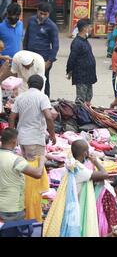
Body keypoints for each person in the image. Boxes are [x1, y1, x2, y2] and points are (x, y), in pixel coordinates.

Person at [8, 75, 55, 221]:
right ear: (41, 86)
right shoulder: (42, 97)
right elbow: (48, 116)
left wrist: (12, 136)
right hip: (36, 139)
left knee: (27, 169)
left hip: (22, 138)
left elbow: (11, 118)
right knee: (35, 173)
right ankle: (32, 209)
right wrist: (52, 133)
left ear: (28, 85)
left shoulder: (21, 98)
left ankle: (27, 204)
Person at [0, 128, 47, 222]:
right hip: (12, 208)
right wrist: (42, 161)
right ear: (14, 141)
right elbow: (38, 174)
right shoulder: (17, 160)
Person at [23, 2, 59, 97]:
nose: (42, 16)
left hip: (44, 59)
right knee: (29, 79)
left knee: (43, 81)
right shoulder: (31, 21)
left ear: (49, 14)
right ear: (37, 11)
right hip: (30, 57)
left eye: (45, 14)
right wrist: (24, 54)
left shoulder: (52, 26)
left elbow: (55, 45)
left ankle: (46, 101)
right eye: (41, 13)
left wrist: (49, 61)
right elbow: (26, 38)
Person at [66, 19, 97, 103]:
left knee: (89, 97)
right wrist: (69, 71)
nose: (91, 29)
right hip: (81, 76)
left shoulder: (85, 40)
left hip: (88, 76)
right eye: (90, 27)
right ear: (84, 28)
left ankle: (86, 114)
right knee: (81, 99)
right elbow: (72, 58)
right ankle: (80, 115)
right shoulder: (77, 43)